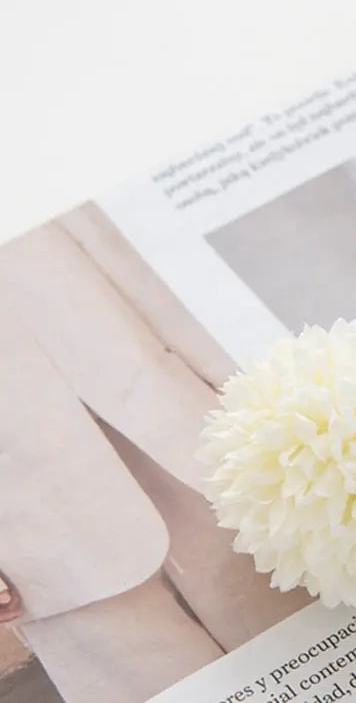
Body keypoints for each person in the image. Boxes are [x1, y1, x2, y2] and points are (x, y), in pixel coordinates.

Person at [0, 208, 312, 703]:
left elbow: (147, 277)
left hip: (192, 440)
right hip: (36, 548)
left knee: (326, 646)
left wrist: (275, 406)